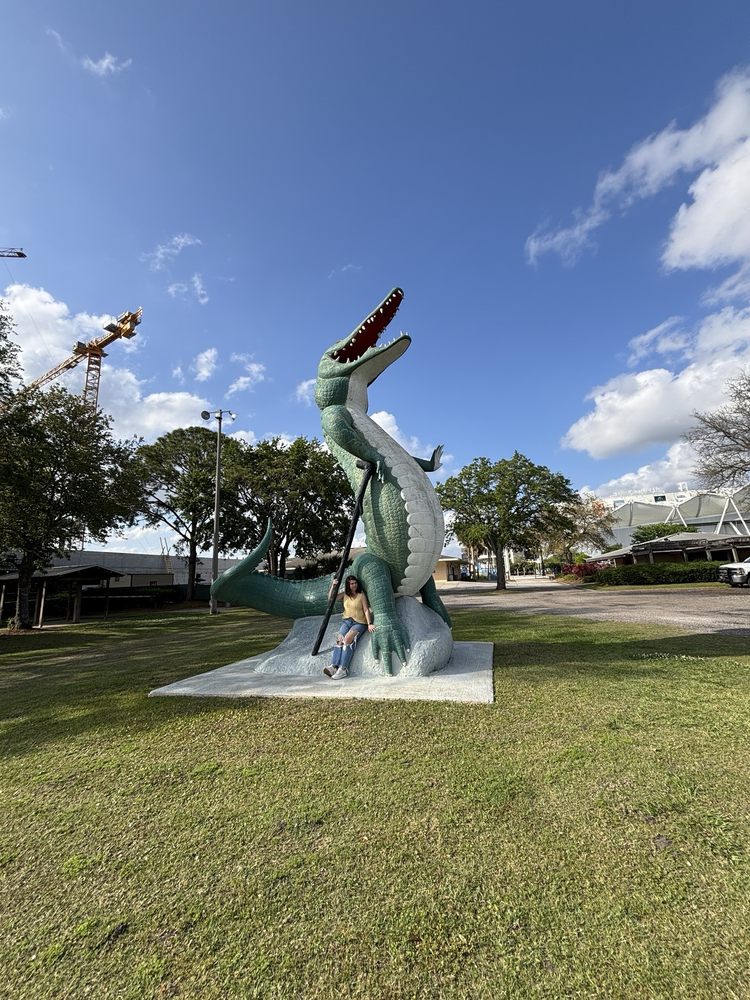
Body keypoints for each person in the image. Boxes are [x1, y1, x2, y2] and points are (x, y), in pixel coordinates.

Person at [323, 574, 376, 679]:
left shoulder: (361, 595)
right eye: (351, 584)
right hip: (347, 621)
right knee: (339, 640)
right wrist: (333, 586)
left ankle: (343, 669)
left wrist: (369, 623)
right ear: (348, 585)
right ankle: (334, 666)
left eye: (355, 583)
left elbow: (366, 609)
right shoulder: (345, 594)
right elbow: (331, 599)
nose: (354, 585)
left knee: (347, 640)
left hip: (359, 623)